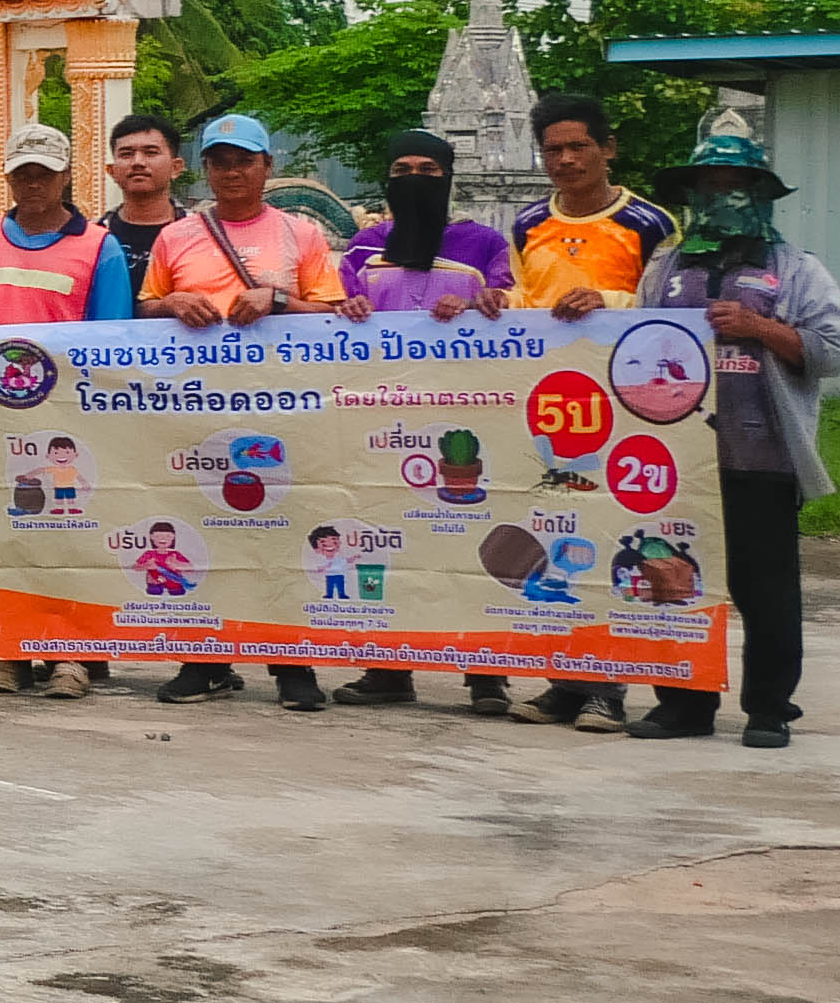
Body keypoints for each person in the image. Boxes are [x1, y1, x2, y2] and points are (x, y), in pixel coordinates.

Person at [631, 131, 840, 749]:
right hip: (679, 461)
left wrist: (759, 327)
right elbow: (631, 348)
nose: (722, 198)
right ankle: (683, 703)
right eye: (710, 187)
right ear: (692, 195)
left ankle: (769, 708)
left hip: (763, 455)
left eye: (735, 187)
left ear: (760, 196)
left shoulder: (796, 269)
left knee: (766, 589)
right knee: (675, 579)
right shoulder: (665, 270)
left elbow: (831, 352)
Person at [139, 114, 351, 711]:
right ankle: (205, 660)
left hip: (280, 409)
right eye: (220, 162)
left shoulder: (300, 234)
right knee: (200, 529)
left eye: (244, 161)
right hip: (197, 408)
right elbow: (145, 306)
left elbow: (332, 314)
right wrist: (174, 303)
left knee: (285, 531)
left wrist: (277, 299)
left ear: (267, 166)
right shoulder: (176, 236)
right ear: (204, 169)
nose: (232, 172)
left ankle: (292, 664)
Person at [330, 129, 523, 714]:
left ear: (448, 177)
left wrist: (480, 307)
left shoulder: (485, 243)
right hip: (381, 419)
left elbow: (513, 306)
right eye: (402, 170)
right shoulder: (364, 247)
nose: (414, 179)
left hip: (465, 420)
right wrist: (345, 307)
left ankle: (486, 673)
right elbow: (335, 309)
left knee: (473, 540)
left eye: (428, 170)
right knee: (385, 538)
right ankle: (388, 669)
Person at [512, 92, 681, 732]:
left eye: (578, 146)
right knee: (554, 538)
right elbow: (523, 299)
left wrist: (607, 300)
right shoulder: (527, 223)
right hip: (549, 405)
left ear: (607, 149)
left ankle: (608, 688)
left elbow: (671, 307)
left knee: (613, 537)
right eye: (552, 149)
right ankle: (563, 681)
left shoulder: (650, 223)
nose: (565, 159)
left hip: (625, 403)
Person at [0, 123, 131, 699]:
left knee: (70, 532)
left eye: (44, 174)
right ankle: (7, 651)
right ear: (8, 176)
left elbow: (111, 337)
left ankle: (72, 653)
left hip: (69, 420)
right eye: (23, 173)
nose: (33, 183)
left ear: (66, 176)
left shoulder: (99, 246)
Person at [98, 112, 190, 288]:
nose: (138, 162)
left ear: (176, 168)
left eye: (150, 153)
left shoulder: (203, 235)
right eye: (127, 154)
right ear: (112, 171)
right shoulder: (93, 237)